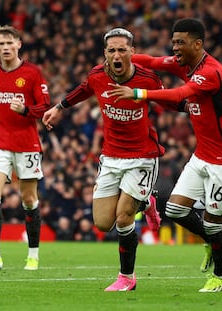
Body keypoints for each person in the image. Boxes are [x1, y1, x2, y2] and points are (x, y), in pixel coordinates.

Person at [107, 18, 222, 292]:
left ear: (198, 44)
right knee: (174, 209)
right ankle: (211, 240)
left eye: (180, 43)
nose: (175, 48)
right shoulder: (183, 63)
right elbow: (154, 61)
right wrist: (125, 54)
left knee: (212, 222)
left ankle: (219, 276)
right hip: (202, 156)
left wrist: (138, 93)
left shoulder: (211, 72)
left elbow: (181, 93)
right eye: (173, 42)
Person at [42, 28, 169, 291]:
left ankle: (127, 277)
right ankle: (146, 202)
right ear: (105, 54)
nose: (117, 54)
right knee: (102, 222)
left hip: (142, 156)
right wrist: (58, 108)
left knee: (123, 218)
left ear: (132, 52)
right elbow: (83, 89)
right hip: (111, 157)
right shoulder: (98, 75)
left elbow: (170, 100)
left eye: (122, 49)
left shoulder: (148, 79)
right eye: (112, 50)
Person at [0, 25, 51, 271]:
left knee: (29, 199)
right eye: (1, 44)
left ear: (19, 44)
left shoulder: (33, 73)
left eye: (9, 43)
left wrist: (25, 110)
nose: (5, 48)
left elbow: (44, 106)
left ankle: (33, 255)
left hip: (27, 144)